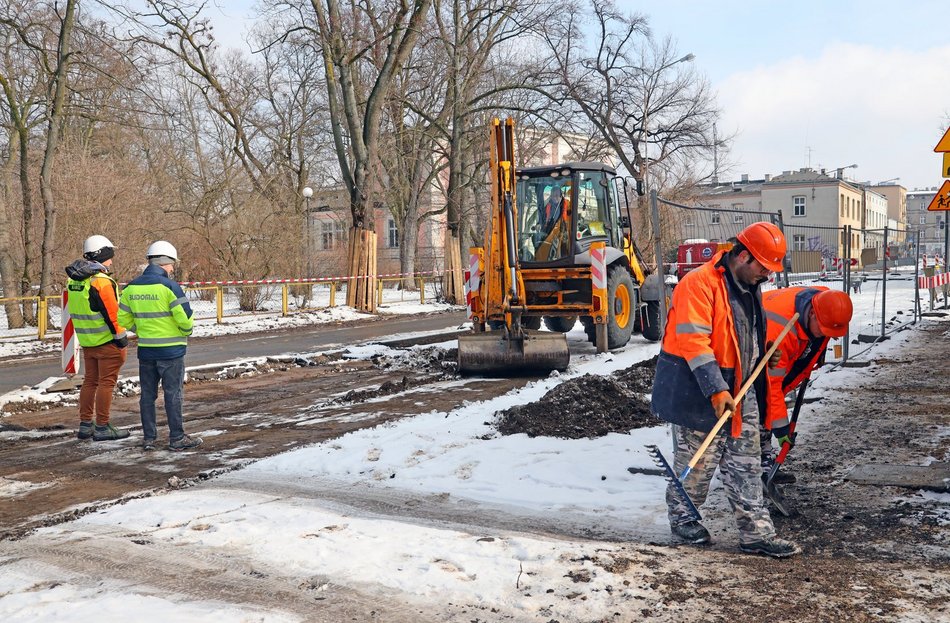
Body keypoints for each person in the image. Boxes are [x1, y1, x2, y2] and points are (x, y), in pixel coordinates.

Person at [651, 221, 801, 558]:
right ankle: (683, 518)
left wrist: (764, 351)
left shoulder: (749, 285)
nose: (768, 275)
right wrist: (716, 390)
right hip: (699, 386)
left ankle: (756, 534)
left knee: (746, 465)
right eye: (764, 266)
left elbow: (741, 333)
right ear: (744, 255)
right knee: (698, 463)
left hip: (740, 386)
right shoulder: (698, 284)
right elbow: (694, 341)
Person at [760, 287, 853, 482]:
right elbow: (770, 387)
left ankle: (764, 464)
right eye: (823, 330)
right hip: (750, 362)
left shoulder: (826, 302)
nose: (825, 335)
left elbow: (822, 332)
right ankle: (757, 469)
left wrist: (815, 353)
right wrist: (782, 430)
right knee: (760, 408)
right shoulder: (780, 330)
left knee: (766, 412)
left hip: (782, 349)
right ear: (811, 313)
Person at [118, 241, 202, 451]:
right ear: (164, 262)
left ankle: (149, 439)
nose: (173, 268)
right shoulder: (170, 287)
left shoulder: (132, 287)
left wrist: (141, 329)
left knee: (147, 396)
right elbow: (185, 319)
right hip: (172, 351)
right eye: (172, 264)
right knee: (173, 394)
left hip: (146, 351)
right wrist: (185, 332)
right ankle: (177, 439)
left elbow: (122, 318)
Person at [66, 235, 130, 441]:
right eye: (110, 256)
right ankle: (102, 427)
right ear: (102, 255)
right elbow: (112, 314)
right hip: (107, 341)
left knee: (90, 381)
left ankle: (86, 425)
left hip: (87, 341)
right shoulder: (101, 281)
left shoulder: (74, 280)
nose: (112, 261)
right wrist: (121, 339)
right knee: (106, 383)